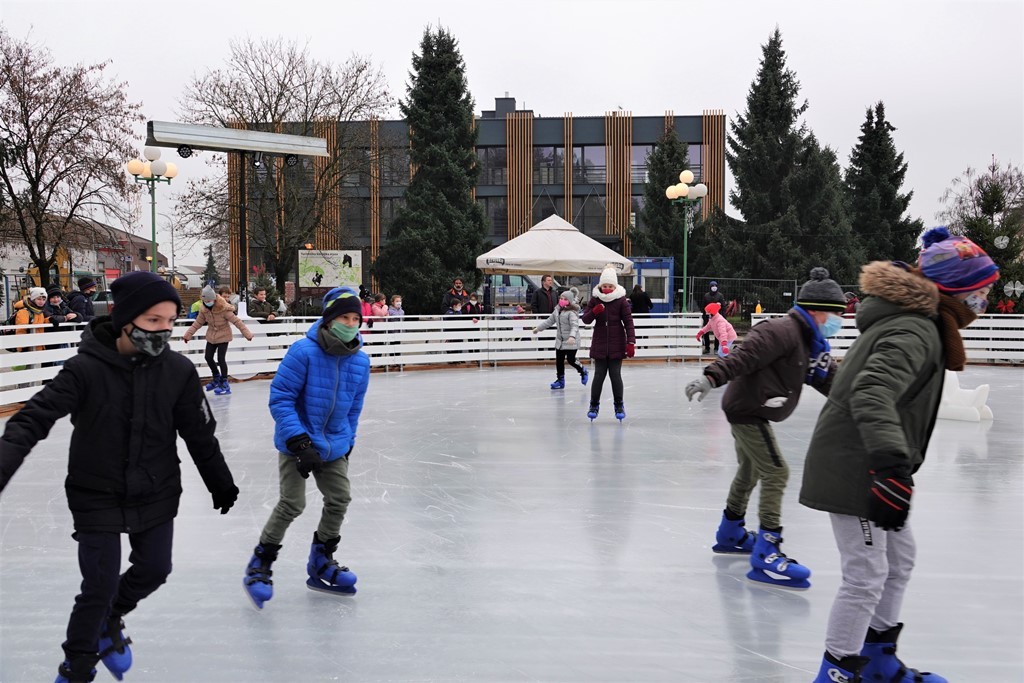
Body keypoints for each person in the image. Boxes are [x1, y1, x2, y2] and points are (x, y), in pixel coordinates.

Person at [0, 271, 238, 683]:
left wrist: (220, 481)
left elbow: (199, 432)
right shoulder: (84, 370)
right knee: (99, 584)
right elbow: (33, 419)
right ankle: (76, 667)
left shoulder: (178, 372)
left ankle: (112, 618)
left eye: (170, 321)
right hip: (97, 491)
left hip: (156, 487)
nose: (163, 331)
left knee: (154, 570)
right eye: (153, 321)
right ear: (125, 319)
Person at [803, 228, 998, 683]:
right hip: (857, 466)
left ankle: (877, 659)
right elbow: (872, 392)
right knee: (866, 574)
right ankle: (837, 672)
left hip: (869, 461)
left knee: (900, 558)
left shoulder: (924, 322)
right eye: (980, 292)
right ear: (954, 291)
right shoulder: (915, 328)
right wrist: (889, 467)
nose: (984, 301)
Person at [683, 267, 847, 590]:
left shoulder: (811, 343)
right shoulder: (782, 331)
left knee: (750, 470)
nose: (836, 322)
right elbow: (743, 355)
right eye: (833, 315)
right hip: (747, 409)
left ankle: (730, 532)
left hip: (752, 408)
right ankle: (767, 551)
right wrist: (711, 377)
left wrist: (862, 402)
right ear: (815, 311)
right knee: (776, 472)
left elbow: (831, 381)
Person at [243, 286, 370, 608]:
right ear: (328, 320)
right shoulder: (303, 351)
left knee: (340, 499)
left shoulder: (360, 361)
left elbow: (354, 407)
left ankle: (321, 561)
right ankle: (261, 563)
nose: (351, 323)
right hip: (297, 442)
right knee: (292, 504)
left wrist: (349, 440)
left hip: (335, 444)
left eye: (356, 318)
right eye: (345, 317)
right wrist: (299, 441)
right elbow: (281, 399)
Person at [581, 264, 635, 421]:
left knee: (615, 375)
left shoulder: (621, 301)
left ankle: (619, 404)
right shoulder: (595, 299)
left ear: (615, 286)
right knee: (598, 375)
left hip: (617, 344)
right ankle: (593, 404)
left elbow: (628, 322)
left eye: (610, 286)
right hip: (600, 343)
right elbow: (585, 319)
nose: (607, 289)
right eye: (604, 286)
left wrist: (631, 342)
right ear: (600, 285)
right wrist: (594, 311)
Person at [182, 285, 254, 395]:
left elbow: (237, 322)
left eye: (209, 300)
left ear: (214, 299)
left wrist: (247, 334)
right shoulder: (204, 309)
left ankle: (224, 383)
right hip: (211, 336)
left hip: (224, 335)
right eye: (205, 300)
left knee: (221, 359)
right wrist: (188, 335)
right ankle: (216, 378)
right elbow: (197, 323)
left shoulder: (223, 308)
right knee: (208, 357)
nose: (207, 302)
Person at [532, 287, 588, 389]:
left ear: (570, 301)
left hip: (572, 341)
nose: (562, 300)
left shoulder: (572, 313)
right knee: (559, 361)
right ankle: (560, 380)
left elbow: (574, 326)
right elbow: (549, 321)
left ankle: (583, 370)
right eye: (561, 298)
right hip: (560, 341)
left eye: (565, 299)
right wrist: (538, 329)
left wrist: (572, 336)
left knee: (571, 360)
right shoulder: (557, 310)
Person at [13, 286, 49, 352]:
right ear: (33, 299)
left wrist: (50, 320)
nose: (41, 302)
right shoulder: (24, 311)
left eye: (44, 300)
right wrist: (22, 347)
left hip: (37, 343)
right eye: (39, 299)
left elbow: (41, 322)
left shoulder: (39, 311)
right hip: (28, 346)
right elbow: (21, 330)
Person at [701, 281, 727, 354]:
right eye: (712, 286)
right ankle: (707, 348)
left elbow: (723, 307)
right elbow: (703, 307)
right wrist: (704, 316)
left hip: (717, 317)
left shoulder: (720, 296)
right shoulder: (706, 296)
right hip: (708, 317)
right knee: (706, 332)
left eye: (715, 286)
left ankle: (716, 348)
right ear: (710, 287)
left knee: (717, 332)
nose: (714, 287)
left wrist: (724, 317)